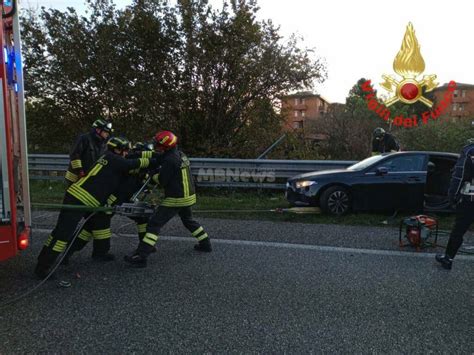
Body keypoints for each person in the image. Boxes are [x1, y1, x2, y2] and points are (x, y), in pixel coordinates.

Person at [35, 137, 153, 279]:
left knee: (90, 227)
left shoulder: (110, 157)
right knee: (62, 234)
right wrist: (156, 159)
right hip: (80, 199)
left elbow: (132, 159)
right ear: (117, 149)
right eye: (125, 150)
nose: (126, 153)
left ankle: (91, 253)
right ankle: (43, 268)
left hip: (87, 200)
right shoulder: (116, 161)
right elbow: (134, 163)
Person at [124, 131, 212, 268]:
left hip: (176, 198)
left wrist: (152, 175)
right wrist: (135, 155)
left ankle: (141, 256)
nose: (155, 146)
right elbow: (156, 158)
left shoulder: (170, 160)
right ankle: (205, 243)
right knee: (188, 220)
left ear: (165, 146)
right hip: (189, 196)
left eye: (158, 144)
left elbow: (162, 181)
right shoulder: (178, 154)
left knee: (154, 224)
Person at [435, 139, 474, 270]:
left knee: (458, 231)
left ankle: (448, 259)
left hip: (469, 200)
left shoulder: (470, 151)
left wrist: (452, 196)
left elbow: (459, 176)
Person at [65, 119, 113, 186]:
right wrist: (80, 170)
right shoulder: (84, 139)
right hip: (76, 176)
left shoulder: (103, 144)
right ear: (98, 130)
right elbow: (75, 155)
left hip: (89, 177)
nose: (107, 134)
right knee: (72, 195)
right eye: (105, 132)